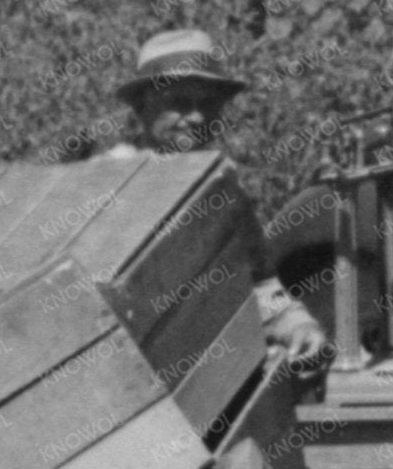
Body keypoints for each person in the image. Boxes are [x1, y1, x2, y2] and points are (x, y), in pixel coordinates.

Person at [105, 28, 333, 371]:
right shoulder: (110, 186)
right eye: (179, 103)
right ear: (142, 107)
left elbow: (260, 290)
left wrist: (298, 326)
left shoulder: (224, 197)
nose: (196, 117)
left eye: (207, 104)